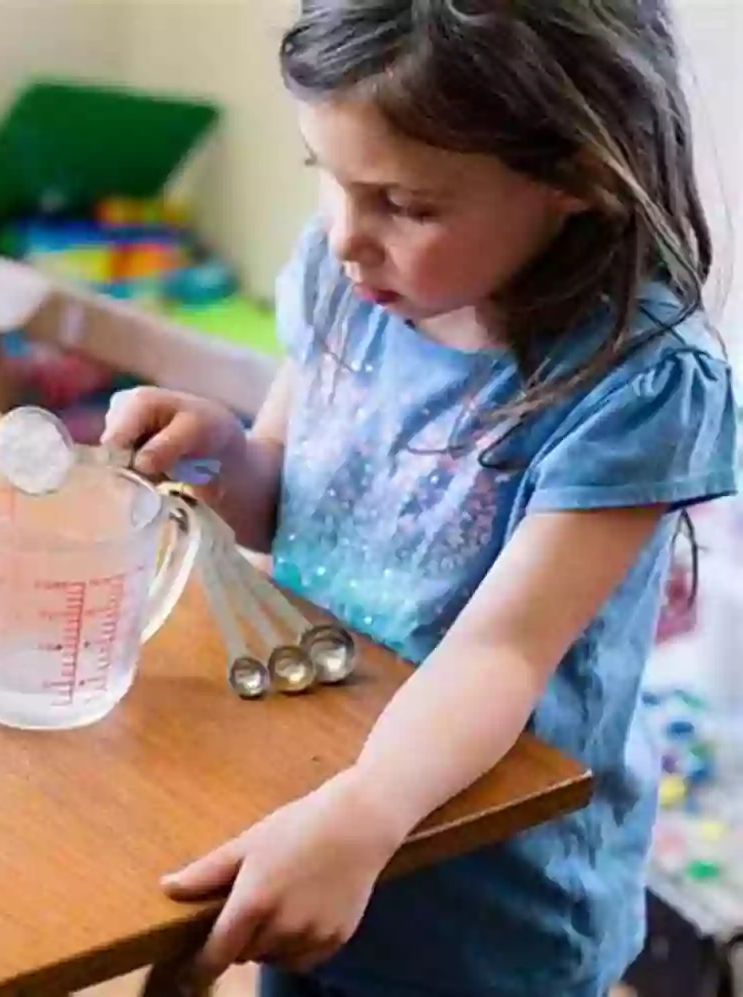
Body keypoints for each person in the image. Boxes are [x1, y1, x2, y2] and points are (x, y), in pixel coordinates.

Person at [101, 2, 739, 995]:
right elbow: (291, 500)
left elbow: (503, 650)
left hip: (489, 892)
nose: (348, 238)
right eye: (330, 180)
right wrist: (222, 458)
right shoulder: (349, 282)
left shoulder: (636, 379)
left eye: (404, 203)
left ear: (575, 174)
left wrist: (362, 815)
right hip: (313, 803)